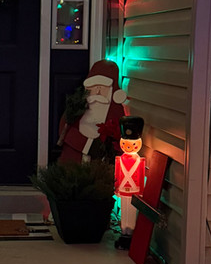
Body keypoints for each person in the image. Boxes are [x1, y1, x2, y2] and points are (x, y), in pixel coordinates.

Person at [58, 59, 127, 162]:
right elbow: (65, 128)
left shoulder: (115, 110)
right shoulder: (78, 106)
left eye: (103, 87)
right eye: (94, 87)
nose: (98, 92)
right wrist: (87, 146)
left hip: (100, 163)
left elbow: (117, 135)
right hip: (74, 157)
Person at [114, 115, 146, 249]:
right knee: (124, 210)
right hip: (123, 190)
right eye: (125, 143)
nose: (128, 147)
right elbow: (117, 174)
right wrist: (116, 188)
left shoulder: (139, 161)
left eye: (132, 144)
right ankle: (124, 231)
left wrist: (140, 191)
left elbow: (141, 174)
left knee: (132, 211)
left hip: (134, 191)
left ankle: (130, 232)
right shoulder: (119, 160)